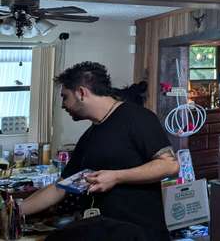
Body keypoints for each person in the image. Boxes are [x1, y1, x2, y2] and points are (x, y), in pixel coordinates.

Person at [20, 62, 179, 239]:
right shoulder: (90, 135)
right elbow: (60, 187)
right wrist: (14, 210)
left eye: (65, 97)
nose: (63, 105)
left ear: (81, 93)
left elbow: (169, 166)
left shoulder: (137, 118)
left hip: (141, 233)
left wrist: (116, 176)